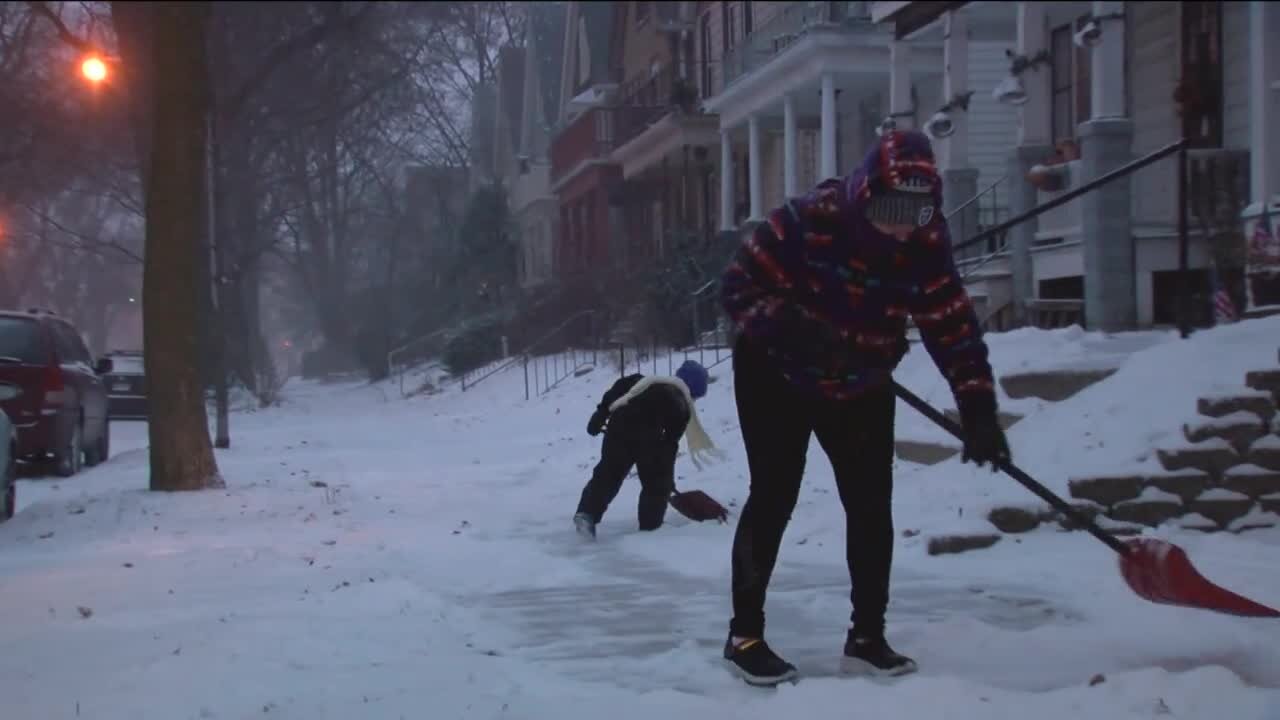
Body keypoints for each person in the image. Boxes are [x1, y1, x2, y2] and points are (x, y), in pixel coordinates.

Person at [717, 129, 1013, 686]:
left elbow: (950, 321)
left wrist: (976, 405)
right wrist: (801, 332)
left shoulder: (924, 244)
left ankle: (867, 637)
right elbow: (738, 287)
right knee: (775, 494)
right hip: (775, 372)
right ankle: (745, 635)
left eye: (916, 211)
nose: (902, 223)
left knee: (871, 503)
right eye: (891, 207)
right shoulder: (808, 222)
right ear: (864, 195)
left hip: (860, 377)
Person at [574, 360, 718, 539]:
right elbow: (670, 444)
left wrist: (601, 413)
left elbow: (618, 388)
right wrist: (667, 477)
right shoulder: (682, 407)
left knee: (609, 474)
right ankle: (650, 528)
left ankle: (587, 514)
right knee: (656, 484)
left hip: (619, 428)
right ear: (694, 391)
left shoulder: (645, 381)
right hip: (650, 439)